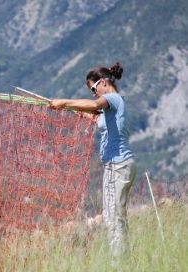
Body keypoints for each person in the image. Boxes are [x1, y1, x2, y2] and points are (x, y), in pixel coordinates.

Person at [50, 62, 137, 263]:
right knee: (117, 218)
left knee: (112, 219)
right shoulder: (111, 109)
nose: (93, 93)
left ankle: (119, 265)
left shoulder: (112, 98)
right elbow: (94, 115)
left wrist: (63, 102)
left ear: (104, 82)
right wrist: (78, 112)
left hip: (117, 165)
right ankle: (125, 261)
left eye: (93, 88)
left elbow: (94, 106)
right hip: (121, 166)